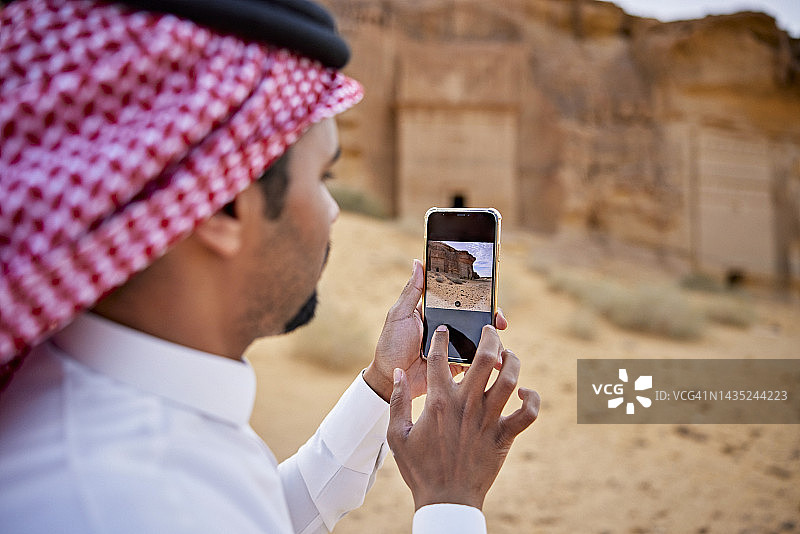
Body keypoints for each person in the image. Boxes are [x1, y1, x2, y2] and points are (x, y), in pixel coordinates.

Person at [0, 1, 541, 533]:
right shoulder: (129, 504)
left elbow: (263, 515)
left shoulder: (120, 422)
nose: (333, 211)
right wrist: (450, 501)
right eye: (323, 178)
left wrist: (383, 384)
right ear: (227, 208)